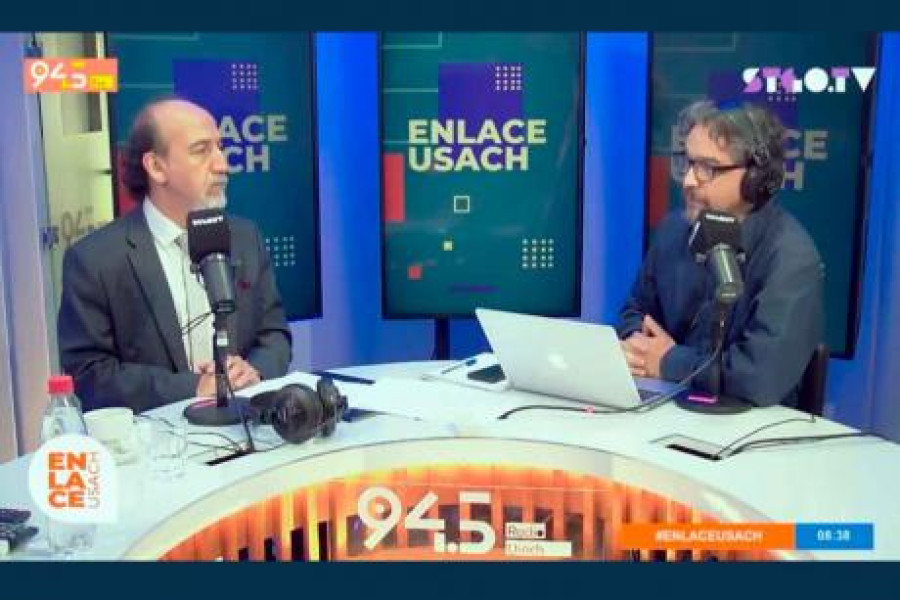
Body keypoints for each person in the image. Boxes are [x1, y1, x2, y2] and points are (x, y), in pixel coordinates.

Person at [58, 98, 292, 412]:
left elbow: (274, 334)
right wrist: (193, 387)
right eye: (201, 150)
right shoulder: (95, 259)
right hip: (155, 435)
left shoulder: (245, 237)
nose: (222, 164)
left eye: (220, 147)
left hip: (245, 425)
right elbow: (89, 374)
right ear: (156, 167)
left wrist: (254, 370)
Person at [617, 100, 824, 407]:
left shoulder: (791, 259)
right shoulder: (674, 229)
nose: (688, 180)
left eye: (707, 168)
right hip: (666, 409)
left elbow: (758, 377)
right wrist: (641, 347)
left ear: (755, 179)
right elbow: (634, 312)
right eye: (688, 163)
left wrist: (669, 361)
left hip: (750, 424)